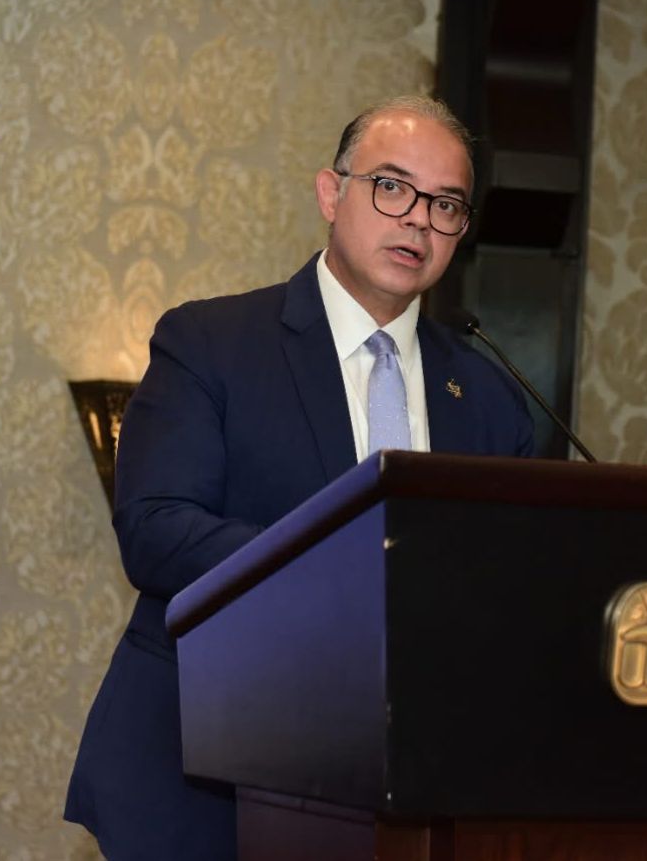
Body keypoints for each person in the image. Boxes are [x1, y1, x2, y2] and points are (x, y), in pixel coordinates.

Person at [63, 95, 534, 860]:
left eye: (446, 204)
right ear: (330, 193)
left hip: (410, 790)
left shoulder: (487, 395)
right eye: (393, 186)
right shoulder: (211, 343)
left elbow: (508, 580)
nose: (418, 219)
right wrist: (346, 569)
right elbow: (154, 529)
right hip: (208, 775)